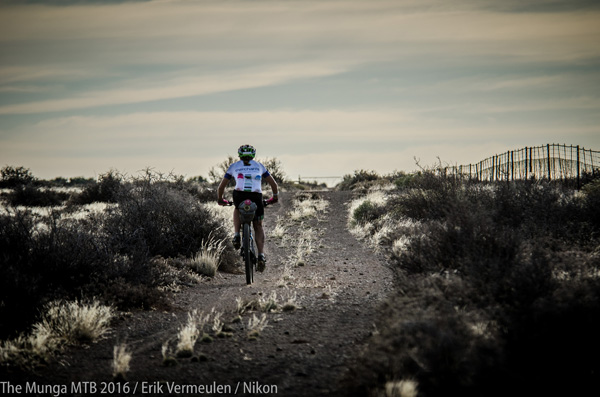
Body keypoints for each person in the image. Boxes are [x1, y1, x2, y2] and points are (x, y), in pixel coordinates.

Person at [217, 144, 279, 272]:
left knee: (237, 208)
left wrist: (220, 199)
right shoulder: (259, 166)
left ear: (239, 155)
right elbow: (274, 184)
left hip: (239, 195)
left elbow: (221, 187)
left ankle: (236, 235)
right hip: (256, 196)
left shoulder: (233, 166)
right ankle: (261, 255)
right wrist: (274, 197)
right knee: (258, 226)